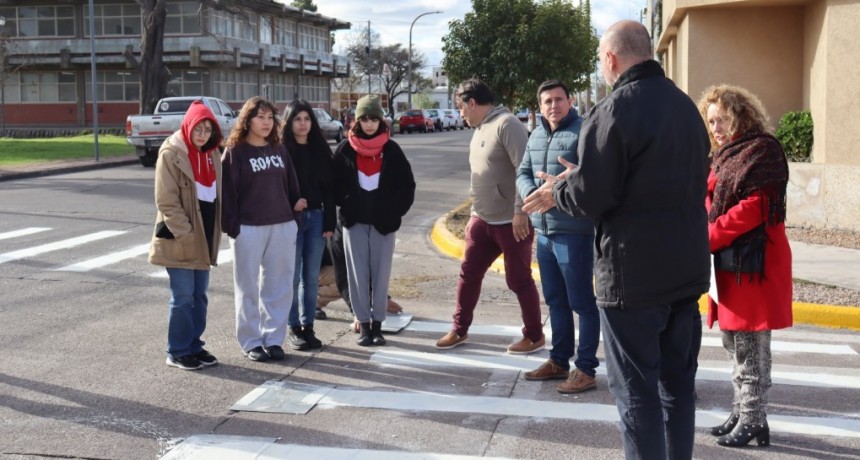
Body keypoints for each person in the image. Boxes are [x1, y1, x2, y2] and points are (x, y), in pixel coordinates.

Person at [523, 20, 710, 458]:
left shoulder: (614, 109)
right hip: (685, 271)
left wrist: (560, 190)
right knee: (678, 390)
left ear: (611, 59)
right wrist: (581, 178)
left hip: (633, 280)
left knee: (638, 396)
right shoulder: (685, 106)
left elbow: (592, 194)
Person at [698, 84, 792, 448]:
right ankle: (745, 412)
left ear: (741, 115)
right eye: (711, 122)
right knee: (733, 341)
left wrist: (709, 233)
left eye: (722, 119)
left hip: (755, 264)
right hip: (731, 263)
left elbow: (754, 207)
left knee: (751, 344)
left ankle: (752, 418)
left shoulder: (762, 151)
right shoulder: (724, 155)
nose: (716, 128)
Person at [435, 78, 544, 354]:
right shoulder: (480, 129)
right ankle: (459, 329)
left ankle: (534, 335)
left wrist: (521, 211)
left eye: (461, 107)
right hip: (481, 220)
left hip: (511, 221)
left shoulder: (507, 125)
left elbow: (525, 169)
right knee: (468, 274)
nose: (461, 114)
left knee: (518, 279)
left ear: (472, 103)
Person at [515, 80, 600, 393]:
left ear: (570, 100)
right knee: (555, 301)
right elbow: (522, 172)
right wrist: (534, 194)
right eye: (547, 101)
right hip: (544, 233)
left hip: (573, 231)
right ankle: (559, 361)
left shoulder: (583, 131)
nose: (554, 106)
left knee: (582, 303)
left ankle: (586, 369)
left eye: (559, 100)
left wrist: (557, 190)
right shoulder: (535, 134)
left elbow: (590, 175)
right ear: (540, 107)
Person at [221, 96, 304, 363]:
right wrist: (232, 226)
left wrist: (294, 218)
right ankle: (251, 342)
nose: (267, 123)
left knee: (279, 286)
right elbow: (227, 193)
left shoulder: (279, 150)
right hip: (248, 228)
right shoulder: (235, 151)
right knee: (247, 287)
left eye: (270, 118)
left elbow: (292, 187)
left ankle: (274, 339)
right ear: (247, 120)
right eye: (260, 117)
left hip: (281, 225)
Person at [332, 95, 415, 346]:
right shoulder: (345, 148)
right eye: (364, 119)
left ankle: (378, 325)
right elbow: (333, 184)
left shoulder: (392, 149)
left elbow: (407, 186)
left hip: (383, 224)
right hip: (354, 223)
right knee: (357, 275)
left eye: (373, 119)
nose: (369, 124)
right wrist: (346, 200)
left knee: (381, 276)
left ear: (381, 120)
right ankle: (364, 325)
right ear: (356, 121)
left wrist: (393, 212)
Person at [149, 100, 223, 371]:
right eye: (198, 129)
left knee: (199, 296)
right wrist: (188, 235)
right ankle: (177, 351)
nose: (202, 135)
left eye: (207, 129)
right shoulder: (171, 153)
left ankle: (194, 345)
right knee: (182, 297)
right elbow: (166, 201)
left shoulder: (212, 153)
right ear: (188, 127)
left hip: (204, 236)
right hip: (181, 238)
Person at [281, 99, 335, 351]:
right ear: (289, 122)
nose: (303, 124)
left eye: (307, 119)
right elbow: (276, 187)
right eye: (297, 119)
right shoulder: (281, 151)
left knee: (310, 278)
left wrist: (330, 220)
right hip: (291, 220)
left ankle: (308, 325)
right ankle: (293, 327)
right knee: (291, 277)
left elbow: (329, 189)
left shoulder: (320, 149)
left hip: (316, 219)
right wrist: (292, 202)